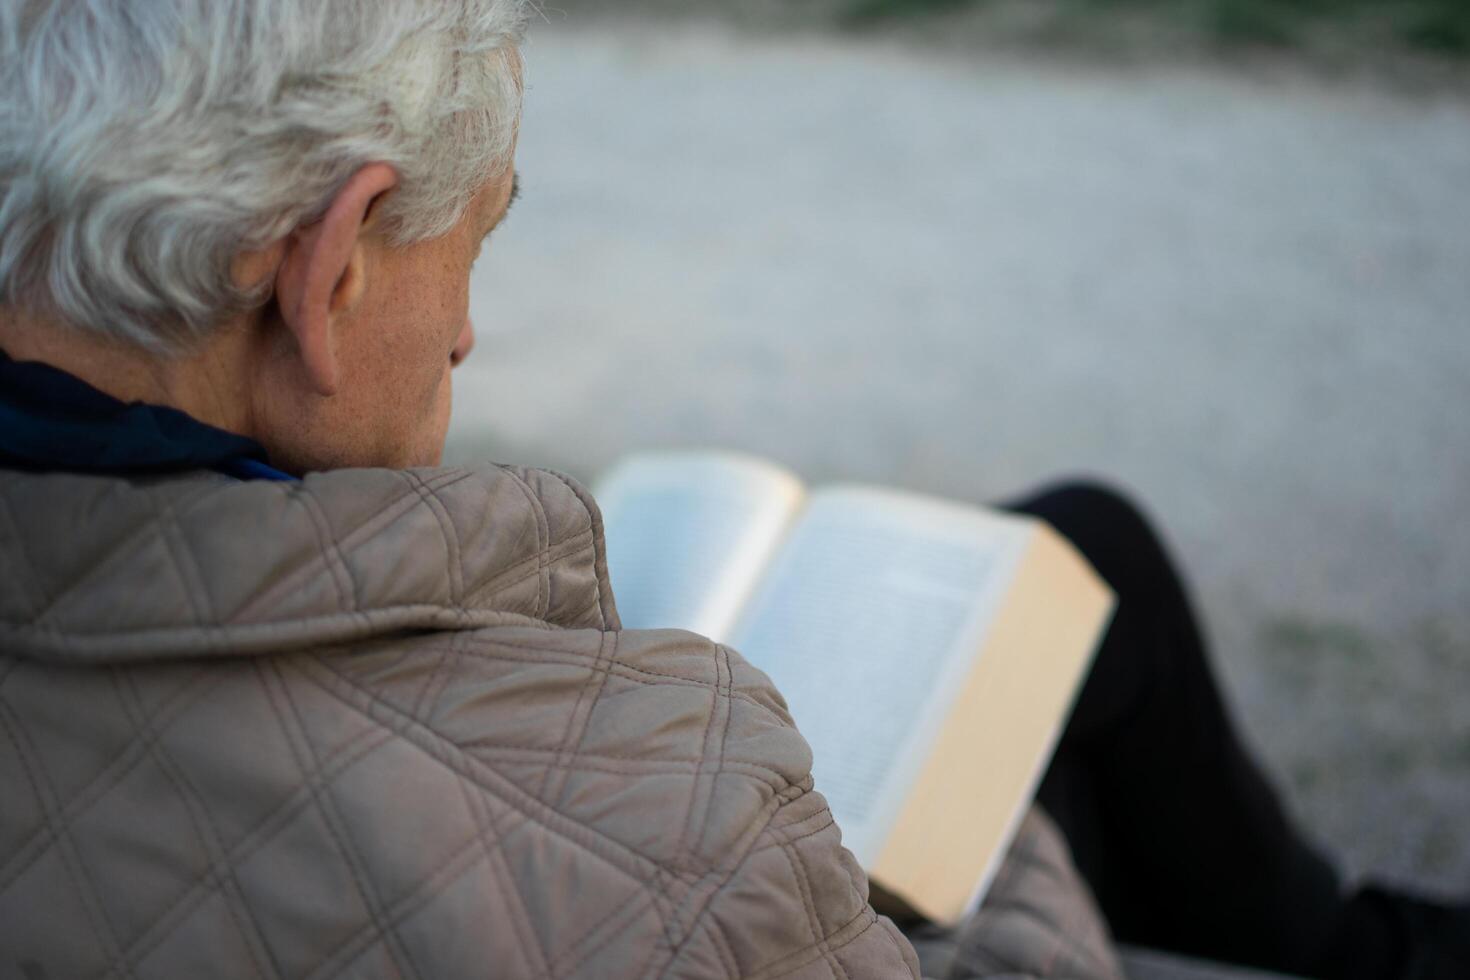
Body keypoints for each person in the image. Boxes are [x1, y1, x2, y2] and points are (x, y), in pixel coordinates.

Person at [0, 3, 1462, 979]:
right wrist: (996, 813)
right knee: (1081, 584)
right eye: (475, 247)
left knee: (1083, 541)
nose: (461, 333)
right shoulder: (677, 840)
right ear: (333, 270)